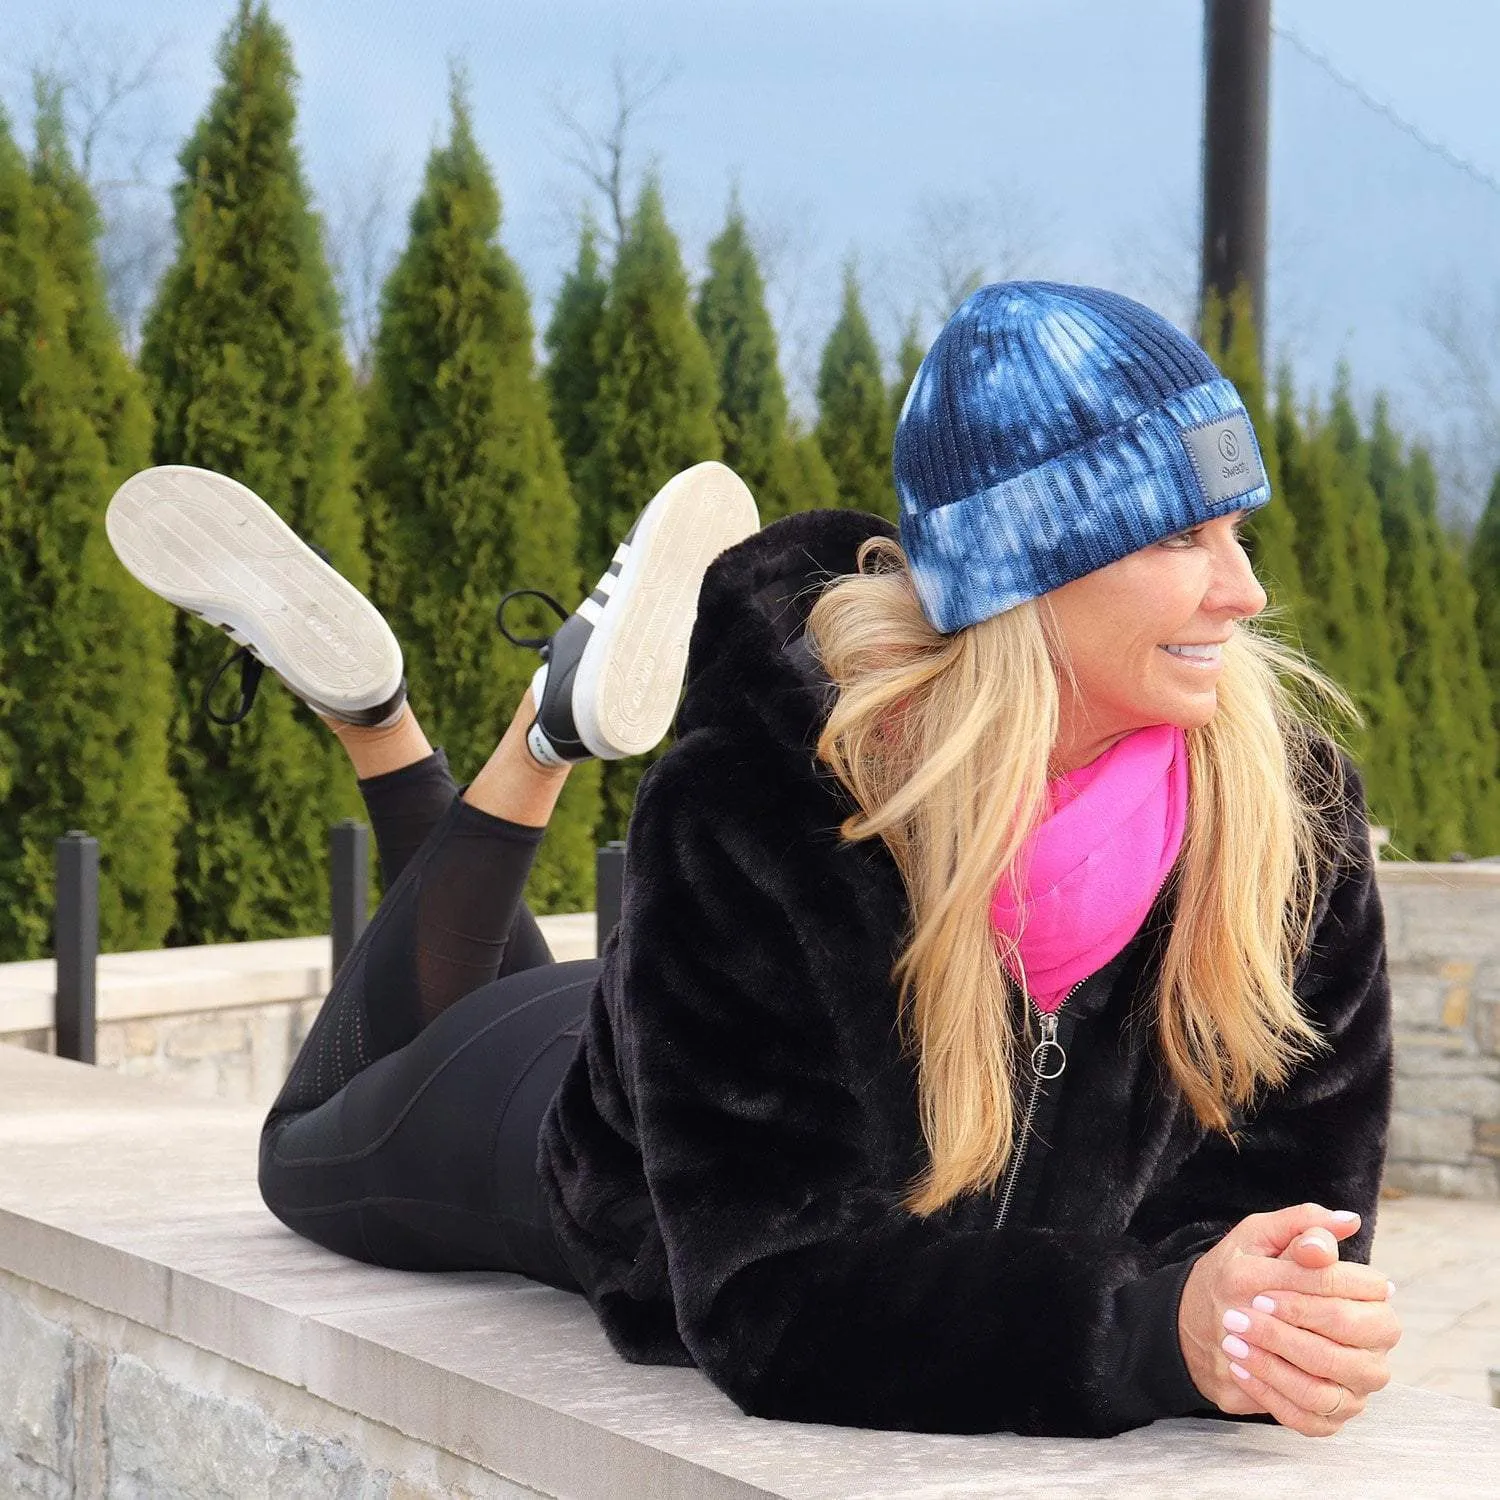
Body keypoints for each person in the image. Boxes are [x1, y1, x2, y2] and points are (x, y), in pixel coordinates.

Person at [107, 281, 1399, 1442]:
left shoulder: (1288, 822)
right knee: (304, 1146)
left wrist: (1249, 1310)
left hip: (657, 1014)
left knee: (453, 995)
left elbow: (1284, 1219)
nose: (1243, 592)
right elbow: (771, 1294)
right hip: (552, 1118)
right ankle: (415, 727)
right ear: (1029, 574)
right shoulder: (768, 801)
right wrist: (1142, 1335)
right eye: (1183, 540)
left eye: (1237, 533)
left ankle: (472, 727)